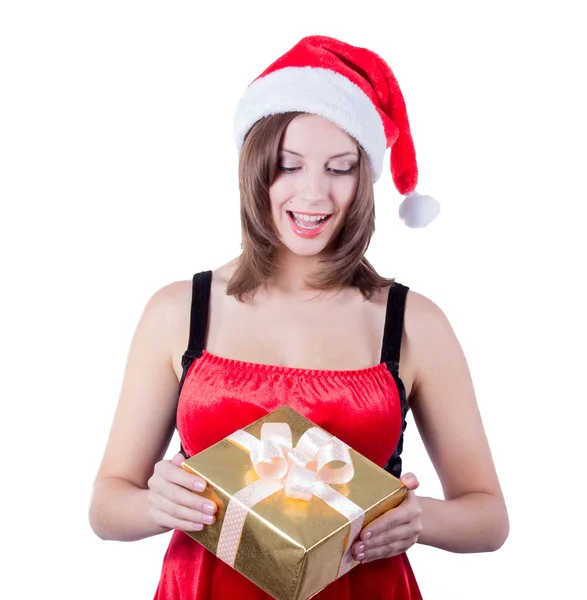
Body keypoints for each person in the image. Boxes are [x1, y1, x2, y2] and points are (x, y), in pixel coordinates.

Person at [89, 35, 509, 599]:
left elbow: (489, 519)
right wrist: (153, 504)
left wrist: (421, 518)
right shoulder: (177, 313)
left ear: (365, 181)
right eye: (289, 165)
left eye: (340, 168)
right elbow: (106, 506)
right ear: (254, 167)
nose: (315, 194)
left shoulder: (413, 323)